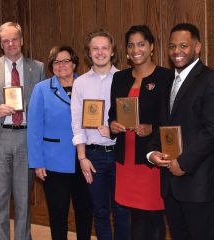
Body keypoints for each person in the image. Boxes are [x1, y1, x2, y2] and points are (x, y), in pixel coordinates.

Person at [148, 23, 214, 240]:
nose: (177, 51)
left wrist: (183, 162)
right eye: (172, 46)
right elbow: (161, 125)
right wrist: (153, 152)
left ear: (197, 47)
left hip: (199, 184)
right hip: (170, 184)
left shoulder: (213, 81)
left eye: (184, 45)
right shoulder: (167, 82)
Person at [0, 22, 45, 240]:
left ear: (22, 40)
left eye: (14, 39)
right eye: (5, 41)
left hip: (26, 138)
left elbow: (44, 105)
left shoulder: (38, 67)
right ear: (0, 44)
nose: (11, 44)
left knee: (24, 200)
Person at [108, 25, 171, 240]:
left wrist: (152, 128)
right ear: (126, 50)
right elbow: (111, 114)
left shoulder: (166, 77)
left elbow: (172, 119)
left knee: (153, 216)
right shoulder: (120, 78)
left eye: (141, 44)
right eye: (131, 45)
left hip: (150, 159)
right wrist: (113, 124)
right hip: (125, 159)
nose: (136, 49)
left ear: (151, 46)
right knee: (134, 216)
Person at [27, 45, 93, 240]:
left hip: (85, 159)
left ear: (74, 63)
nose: (61, 65)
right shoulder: (41, 89)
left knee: (85, 209)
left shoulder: (86, 85)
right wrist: (37, 162)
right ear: (51, 66)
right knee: (58, 212)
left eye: (66, 61)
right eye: (56, 62)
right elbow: (34, 128)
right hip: (53, 162)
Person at [71, 30, 130, 240]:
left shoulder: (125, 79)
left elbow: (131, 117)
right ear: (89, 53)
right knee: (100, 212)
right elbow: (77, 123)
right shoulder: (80, 83)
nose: (100, 52)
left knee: (122, 211)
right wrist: (82, 157)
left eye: (105, 47)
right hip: (93, 156)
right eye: (95, 48)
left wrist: (114, 129)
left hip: (120, 153)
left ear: (112, 51)